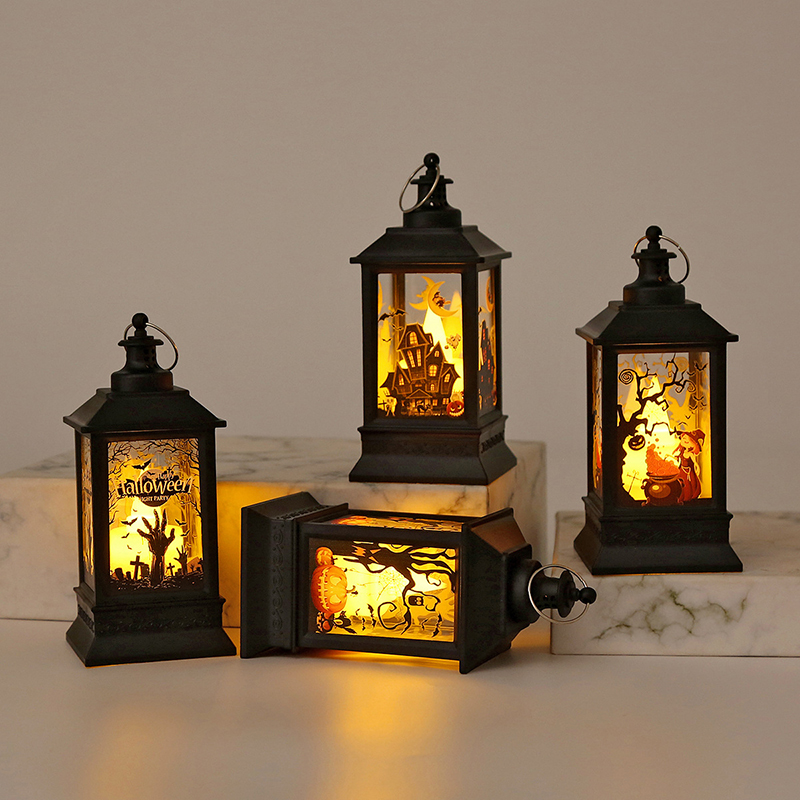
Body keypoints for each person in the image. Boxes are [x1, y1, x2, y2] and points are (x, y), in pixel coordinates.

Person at [675, 429, 705, 502]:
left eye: (688, 439)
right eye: (683, 438)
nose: (685, 440)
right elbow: (678, 460)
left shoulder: (691, 454)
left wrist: (697, 468)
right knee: (681, 485)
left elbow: (695, 463)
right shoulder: (681, 452)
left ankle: (688, 498)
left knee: (689, 484)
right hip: (681, 470)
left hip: (689, 471)